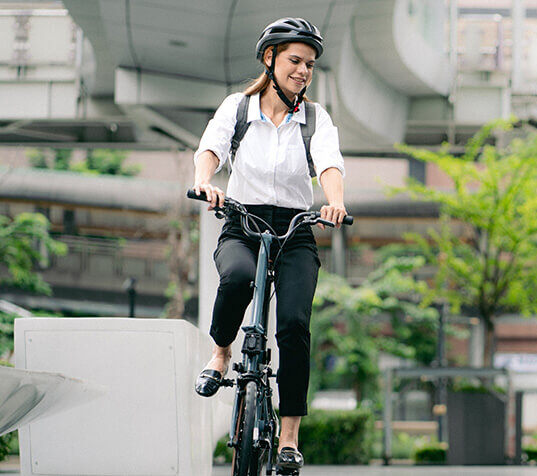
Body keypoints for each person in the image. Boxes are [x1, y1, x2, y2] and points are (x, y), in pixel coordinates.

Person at [191, 17, 346, 472]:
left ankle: (290, 439)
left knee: (294, 323)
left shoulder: (315, 118)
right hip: (242, 220)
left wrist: (335, 202)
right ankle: (221, 354)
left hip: (296, 228)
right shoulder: (238, 109)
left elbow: (330, 163)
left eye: (311, 64)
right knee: (237, 277)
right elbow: (211, 148)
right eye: (295, 60)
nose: (303, 71)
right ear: (270, 58)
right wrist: (205, 183)